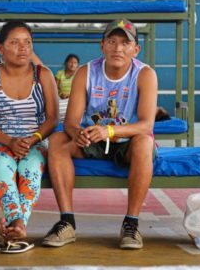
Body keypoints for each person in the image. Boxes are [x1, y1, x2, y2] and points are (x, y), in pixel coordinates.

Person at [42, 19, 158, 250]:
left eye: (125, 43)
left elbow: (146, 125)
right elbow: (71, 122)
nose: (118, 48)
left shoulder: (145, 74)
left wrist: (111, 130)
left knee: (145, 143)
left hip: (127, 142)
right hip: (92, 140)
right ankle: (67, 222)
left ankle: (131, 225)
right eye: (112, 42)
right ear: (102, 45)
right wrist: (78, 134)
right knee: (57, 140)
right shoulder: (86, 72)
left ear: (136, 49)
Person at [0, 21, 59, 253]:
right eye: (15, 42)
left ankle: (14, 225)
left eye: (27, 42)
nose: (23, 48)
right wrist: (9, 142)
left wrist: (32, 140)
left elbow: (52, 119)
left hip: (36, 140)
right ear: (0, 48)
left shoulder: (44, 75)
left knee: (31, 168)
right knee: (3, 164)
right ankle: (18, 225)